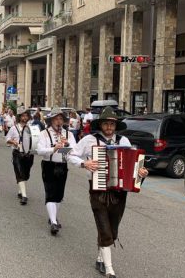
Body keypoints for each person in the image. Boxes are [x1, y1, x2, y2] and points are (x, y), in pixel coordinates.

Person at [67, 107, 148, 278]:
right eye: (106, 123)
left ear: (116, 125)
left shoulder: (124, 141)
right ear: (101, 125)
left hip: (119, 192)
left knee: (113, 229)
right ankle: (109, 269)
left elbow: (134, 165)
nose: (109, 127)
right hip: (97, 191)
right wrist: (84, 164)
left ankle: (100, 258)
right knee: (104, 228)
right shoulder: (89, 139)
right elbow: (70, 155)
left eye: (112, 124)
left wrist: (140, 173)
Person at [36, 106, 77, 236]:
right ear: (51, 120)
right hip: (48, 165)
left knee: (59, 195)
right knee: (50, 193)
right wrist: (53, 149)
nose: (58, 121)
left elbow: (75, 151)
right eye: (56, 119)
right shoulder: (44, 134)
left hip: (62, 165)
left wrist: (66, 146)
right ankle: (53, 222)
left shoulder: (68, 134)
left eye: (61, 119)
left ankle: (52, 216)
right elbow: (39, 151)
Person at [6, 107, 34, 205]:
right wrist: (14, 142)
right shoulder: (14, 128)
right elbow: (7, 139)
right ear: (19, 117)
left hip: (29, 154)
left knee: (26, 174)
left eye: (26, 115)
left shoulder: (31, 128)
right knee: (19, 173)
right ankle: (24, 196)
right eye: (23, 115)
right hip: (17, 153)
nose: (25, 117)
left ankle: (20, 191)